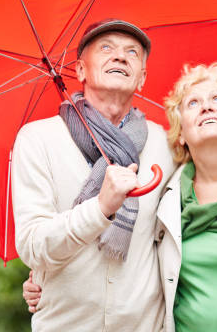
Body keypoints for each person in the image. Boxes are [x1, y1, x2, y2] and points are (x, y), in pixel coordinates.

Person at [25, 63, 217, 331]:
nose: (207, 107)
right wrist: (41, 277)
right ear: (181, 133)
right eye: (193, 103)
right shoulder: (167, 194)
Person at [11, 19, 175, 331]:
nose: (120, 56)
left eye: (132, 52)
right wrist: (100, 208)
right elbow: (33, 246)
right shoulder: (38, 140)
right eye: (106, 48)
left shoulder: (167, 146)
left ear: (142, 78)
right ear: (82, 70)